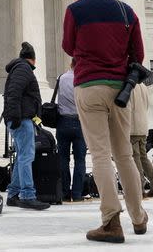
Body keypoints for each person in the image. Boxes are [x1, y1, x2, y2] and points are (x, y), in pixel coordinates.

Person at [62, 0, 148, 243]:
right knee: (124, 154)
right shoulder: (126, 11)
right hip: (120, 90)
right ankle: (138, 217)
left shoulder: (75, 10)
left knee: (100, 155)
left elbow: (67, 45)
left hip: (89, 86)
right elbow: (139, 53)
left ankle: (111, 221)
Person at [3, 42, 49, 210]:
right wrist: (15, 116)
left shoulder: (20, 68)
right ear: (33, 59)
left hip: (21, 118)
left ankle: (13, 194)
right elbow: (13, 93)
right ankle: (28, 195)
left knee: (23, 155)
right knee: (26, 156)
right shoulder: (23, 69)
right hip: (21, 119)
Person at [56, 58, 87, 202]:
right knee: (80, 160)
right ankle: (77, 193)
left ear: (70, 64)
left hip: (62, 122)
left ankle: (64, 192)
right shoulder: (83, 80)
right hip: (79, 122)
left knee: (63, 159)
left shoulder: (61, 78)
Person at [130, 83, 153, 199]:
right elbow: (147, 105)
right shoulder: (143, 85)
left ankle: (140, 189)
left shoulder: (129, 83)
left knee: (136, 157)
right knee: (143, 157)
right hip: (142, 126)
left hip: (132, 126)